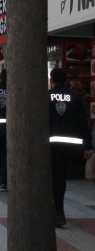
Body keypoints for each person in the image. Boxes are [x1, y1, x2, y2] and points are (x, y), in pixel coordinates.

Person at [48, 67, 93, 227]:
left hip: (51, 144)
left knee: (54, 176)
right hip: (70, 145)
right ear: (66, 79)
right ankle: (58, 210)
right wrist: (88, 145)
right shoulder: (75, 97)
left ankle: (57, 211)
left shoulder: (47, 96)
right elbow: (83, 122)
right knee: (60, 177)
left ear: (51, 78)